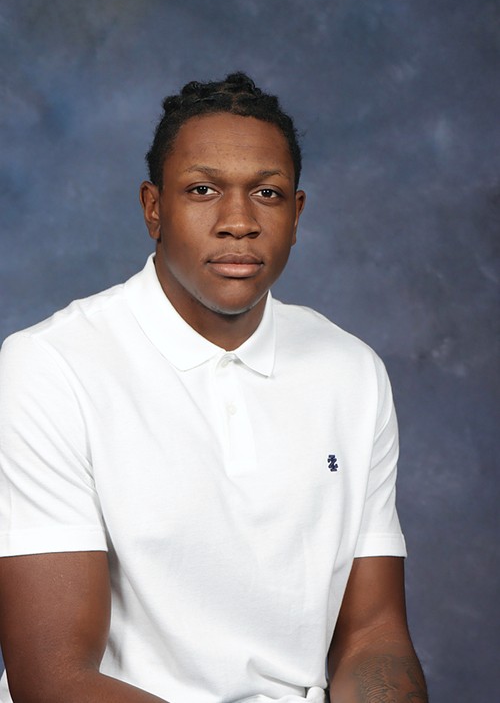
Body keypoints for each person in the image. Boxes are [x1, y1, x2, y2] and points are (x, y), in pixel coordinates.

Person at [0, 72, 428, 703]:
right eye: (203, 190)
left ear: (297, 214)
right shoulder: (51, 366)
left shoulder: (352, 372)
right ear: (153, 208)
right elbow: (54, 677)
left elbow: (372, 636)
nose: (238, 222)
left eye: (267, 193)